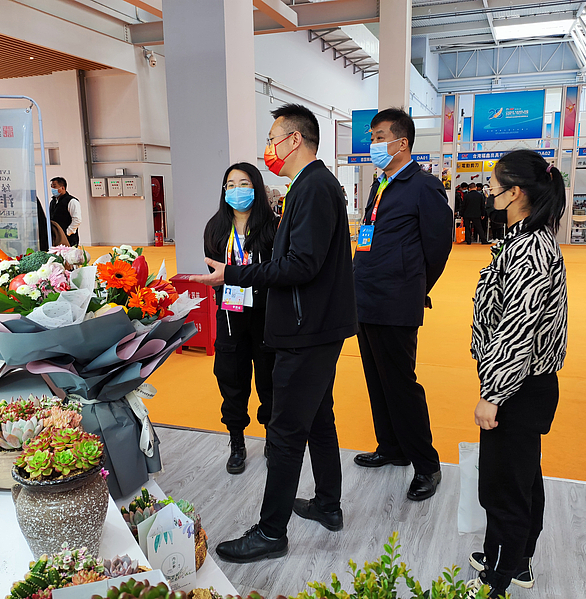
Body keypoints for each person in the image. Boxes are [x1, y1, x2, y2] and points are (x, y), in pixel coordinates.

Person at [190, 104, 357, 562]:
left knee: (285, 431)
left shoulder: (314, 187)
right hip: (314, 325)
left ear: (294, 140)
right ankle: (328, 503)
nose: (268, 148)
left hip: (307, 329)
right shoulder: (309, 186)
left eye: (272, 139)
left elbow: (301, 265)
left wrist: (234, 274)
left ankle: (270, 532)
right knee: (318, 417)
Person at [467, 149, 568, 599]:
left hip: (518, 386)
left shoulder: (529, 249)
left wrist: (493, 394)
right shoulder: (522, 239)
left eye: (495, 183)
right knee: (519, 476)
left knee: (506, 484)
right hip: (521, 383)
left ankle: (502, 576)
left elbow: (517, 329)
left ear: (516, 193)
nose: (489, 189)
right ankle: (510, 557)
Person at [352, 108, 452, 502]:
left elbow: (437, 247)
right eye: (372, 137)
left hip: (396, 300)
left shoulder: (423, 186)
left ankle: (427, 465)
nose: (373, 144)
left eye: (379, 137)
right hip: (366, 297)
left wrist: (413, 284)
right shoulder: (381, 185)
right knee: (377, 380)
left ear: (401, 142)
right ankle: (391, 447)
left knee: (400, 385)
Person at [203, 162, 278, 475]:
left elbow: (278, 271)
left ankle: (273, 438)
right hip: (231, 317)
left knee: (270, 380)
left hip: (266, 317)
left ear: (256, 187)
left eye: (244, 183)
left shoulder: (273, 227)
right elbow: (214, 274)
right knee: (231, 379)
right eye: (231, 185)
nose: (237, 190)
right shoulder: (215, 228)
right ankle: (237, 441)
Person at [49, 177, 82, 246]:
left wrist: (67, 232)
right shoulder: (53, 202)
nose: (52, 189)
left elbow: (77, 220)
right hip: (55, 236)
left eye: (54, 186)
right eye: (51, 186)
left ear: (62, 188)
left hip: (68, 238)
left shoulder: (72, 201)